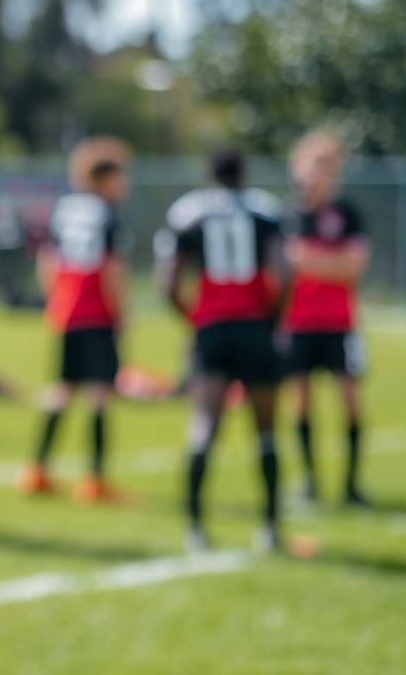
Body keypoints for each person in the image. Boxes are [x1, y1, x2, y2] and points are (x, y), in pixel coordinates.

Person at [159, 151, 290, 553]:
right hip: (253, 327)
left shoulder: (189, 213)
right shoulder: (264, 210)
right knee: (265, 429)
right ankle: (269, 527)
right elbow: (285, 274)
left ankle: (195, 527)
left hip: (211, 329)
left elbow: (167, 284)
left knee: (204, 426)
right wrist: (269, 318)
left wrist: (194, 319)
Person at [19, 137, 131, 504]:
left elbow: (47, 263)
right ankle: (95, 479)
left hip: (67, 313)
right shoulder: (106, 213)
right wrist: (121, 313)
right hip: (97, 314)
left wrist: (58, 299)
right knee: (99, 396)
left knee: (63, 391)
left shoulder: (64, 210)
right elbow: (112, 269)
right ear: (103, 178)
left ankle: (37, 469)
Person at [281, 131, 371, 506]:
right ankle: (309, 482)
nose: (317, 174)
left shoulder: (347, 214)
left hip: (340, 323)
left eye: (326, 166)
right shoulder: (288, 216)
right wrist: (327, 263)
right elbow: (285, 265)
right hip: (297, 324)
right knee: (299, 402)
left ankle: (352, 486)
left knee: (350, 401)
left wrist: (308, 261)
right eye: (312, 165)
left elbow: (353, 268)